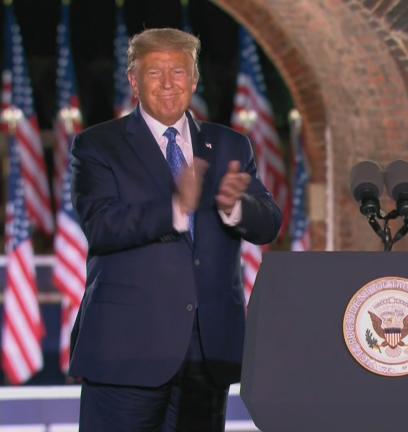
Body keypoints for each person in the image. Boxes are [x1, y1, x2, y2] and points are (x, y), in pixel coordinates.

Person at [69, 28, 282, 431]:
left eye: (179, 71)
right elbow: (101, 227)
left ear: (194, 79)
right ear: (134, 81)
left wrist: (234, 206)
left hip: (206, 356)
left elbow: (268, 224)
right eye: (155, 72)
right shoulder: (97, 146)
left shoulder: (230, 146)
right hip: (126, 355)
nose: (168, 83)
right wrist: (175, 207)